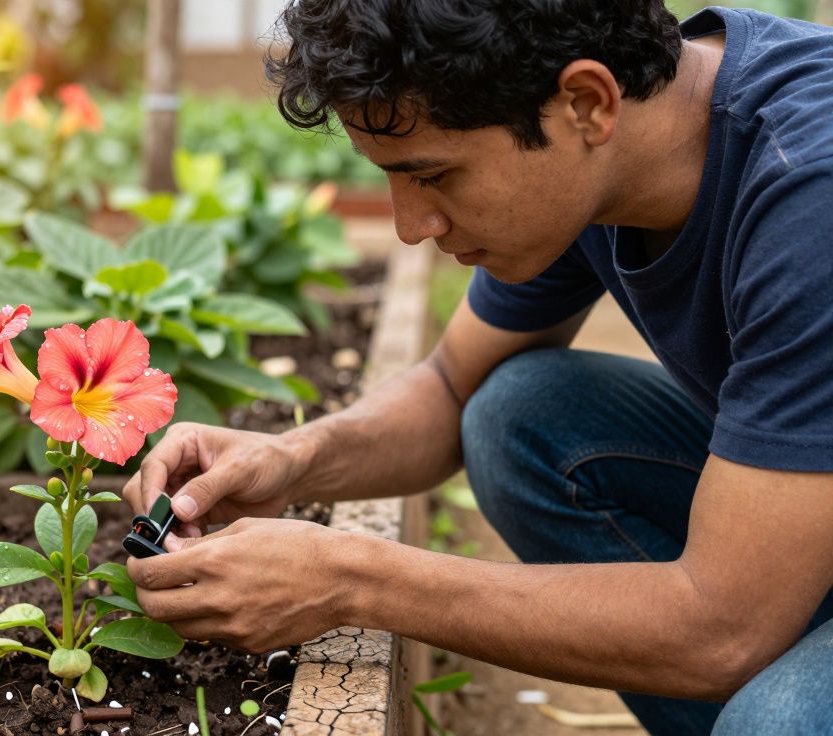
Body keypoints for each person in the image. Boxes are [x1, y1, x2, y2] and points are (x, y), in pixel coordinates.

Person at [121, 2, 833, 734]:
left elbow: (724, 629)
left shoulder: (810, 194)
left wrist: (353, 580)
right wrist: (292, 459)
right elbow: (450, 386)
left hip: (745, 604)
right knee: (515, 415)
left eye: (433, 175)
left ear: (587, 102)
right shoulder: (603, 154)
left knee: (773, 720)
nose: (409, 226)